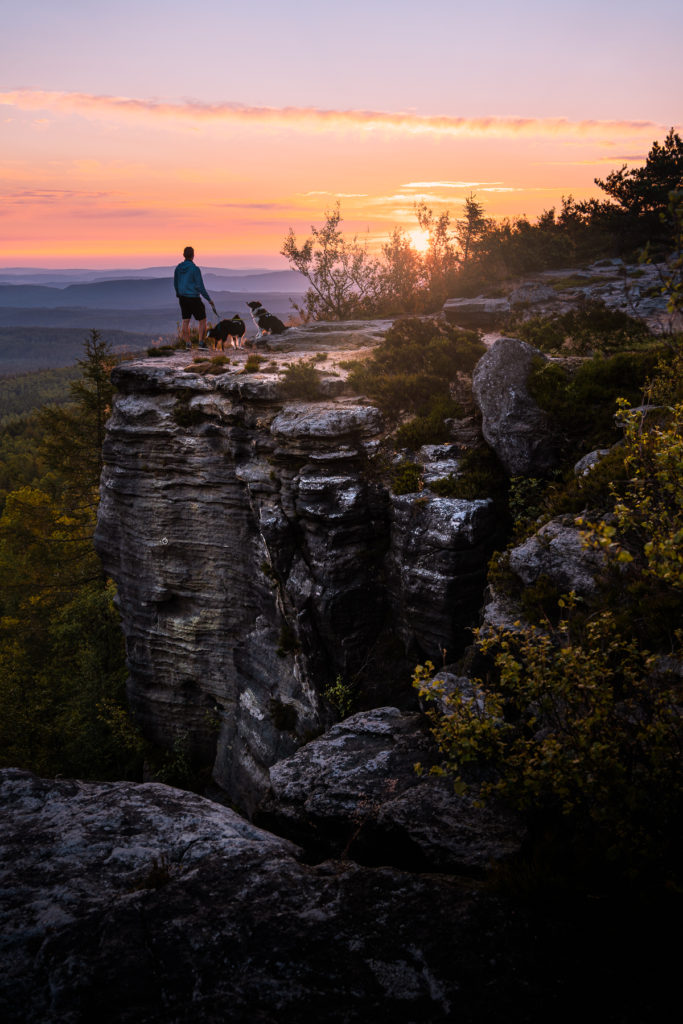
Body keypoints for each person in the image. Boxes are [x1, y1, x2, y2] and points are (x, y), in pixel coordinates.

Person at [173, 246, 217, 349]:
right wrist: (209, 299)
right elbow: (200, 286)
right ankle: (201, 343)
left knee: (185, 321)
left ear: (183, 255)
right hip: (193, 297)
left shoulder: (178, 268)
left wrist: (178, 294)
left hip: (182, 298)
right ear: (193, 255)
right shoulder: (195, 269)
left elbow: (175, 283)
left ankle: (188, 344)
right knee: (202, 320)